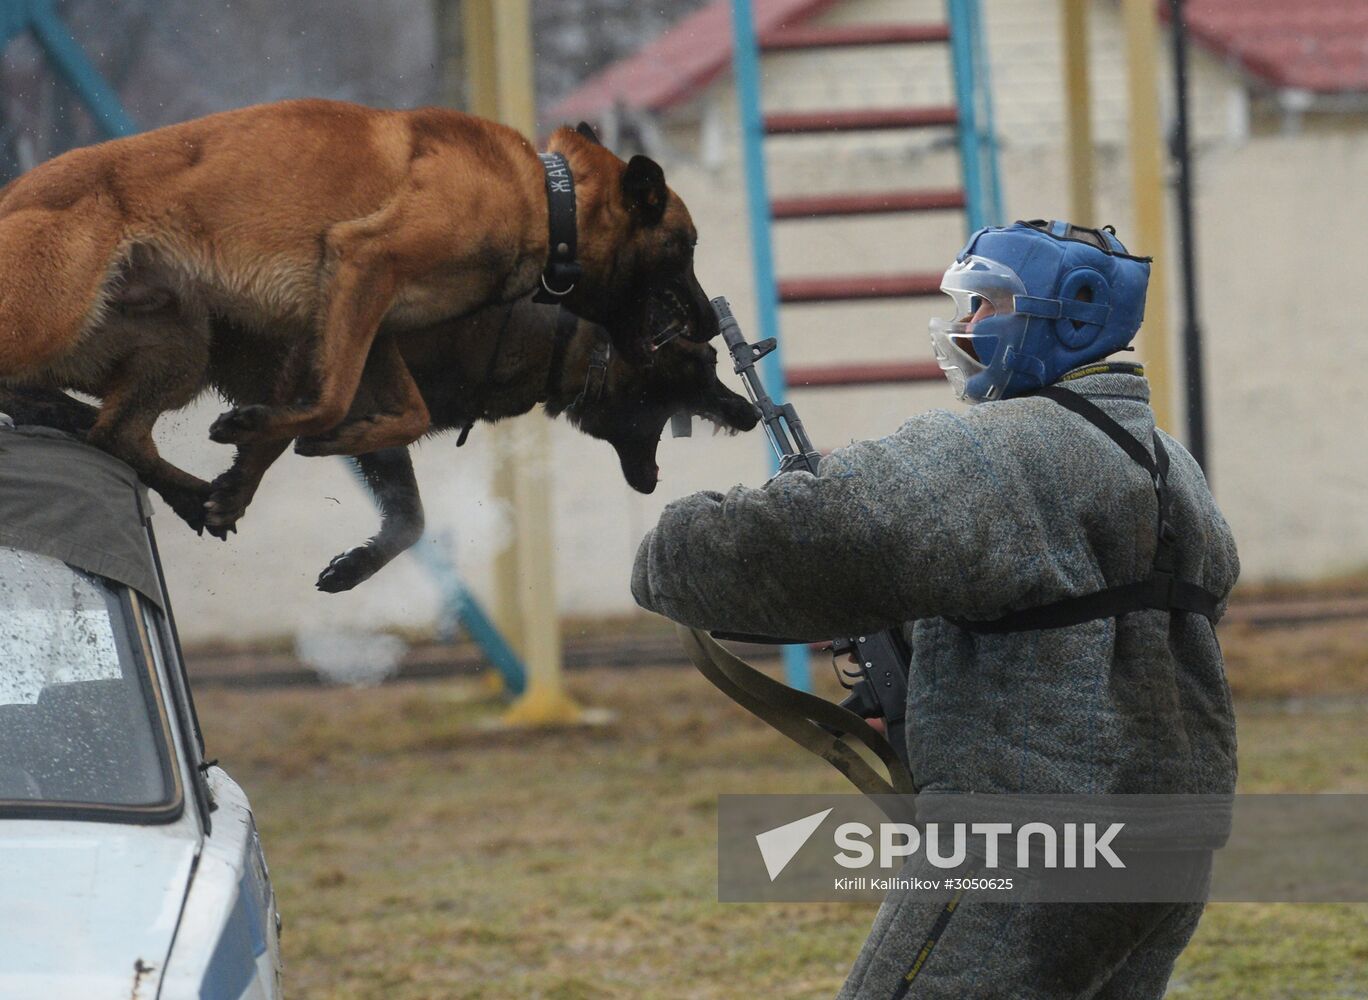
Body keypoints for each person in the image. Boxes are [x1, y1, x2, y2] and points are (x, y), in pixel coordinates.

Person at [631, 220, 1239, 998]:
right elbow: (1099, 615)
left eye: (987, 305)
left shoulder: (1004, 451)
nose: (967, 325)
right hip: (1175, 854)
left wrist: (666, 554)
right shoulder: (1170, 462)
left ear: (1064, 317)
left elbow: (811, 538)